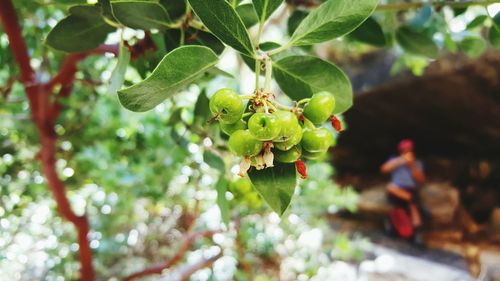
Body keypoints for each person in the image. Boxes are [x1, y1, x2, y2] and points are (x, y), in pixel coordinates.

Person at [380, 139, 426, 228]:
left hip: (411, 190)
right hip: (397, 190)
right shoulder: (394, 160)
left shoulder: (417, 163)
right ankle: (411, 200)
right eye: (404, 150)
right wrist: (401, 160)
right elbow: (384, 169)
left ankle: (416, 229)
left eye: (409, 150)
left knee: (411, 203)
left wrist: (412, 166)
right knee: (390, 187)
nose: (406, 152)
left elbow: (421, 180)